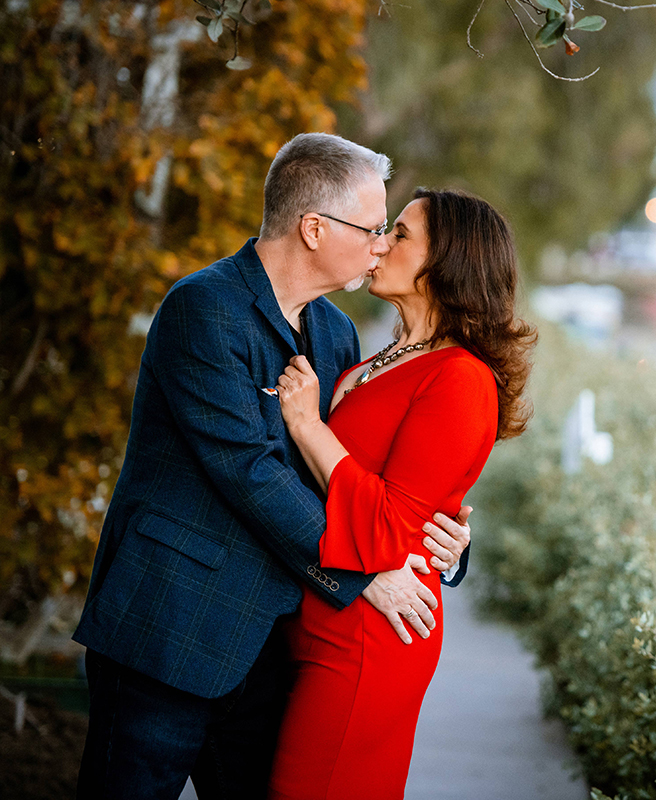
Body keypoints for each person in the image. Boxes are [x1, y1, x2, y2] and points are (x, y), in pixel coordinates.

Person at [72, 134, 475, 800]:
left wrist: (440, 537)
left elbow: (356, 474)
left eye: (388, 232)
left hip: (269, 648)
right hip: (168, 631)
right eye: (372, 228)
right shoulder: (203, 310)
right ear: (313, 229)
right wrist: (366, 570)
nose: (380, 244)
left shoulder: (336, 334)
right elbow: (251, 474)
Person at [266, 188, 536, 799]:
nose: (380, 243)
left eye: (402, 235)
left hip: (370, 634)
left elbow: (390, 523)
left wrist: (308, 426)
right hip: (319, 607)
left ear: (447, 265)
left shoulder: (461, 379)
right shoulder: (385, 357)